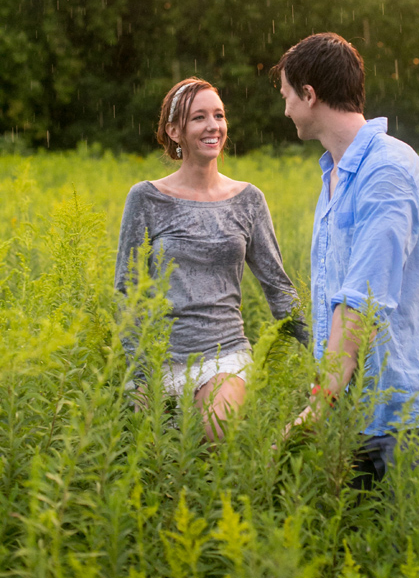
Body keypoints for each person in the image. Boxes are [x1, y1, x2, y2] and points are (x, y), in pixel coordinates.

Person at [272, 33, 419, 487]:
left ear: (309, 94)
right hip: (358, 414)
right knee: (358, 555)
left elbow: (363, 297)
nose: (284, 110)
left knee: (415, 553)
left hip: (413, 418)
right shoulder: (335, 173)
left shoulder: (387, 170)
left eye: (287, 96)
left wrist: (318, 404)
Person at [115, 77, 307, 441]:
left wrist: (323, 356)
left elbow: (278, 288)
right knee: (154, 464)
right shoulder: (146, 199)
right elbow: (127, 290)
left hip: (225, 356)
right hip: (158, 358)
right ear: (174, 131)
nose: (213, 126)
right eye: (198, 117)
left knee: (211, 433)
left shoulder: (248, 200)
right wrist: (141, 374)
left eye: (218, 115)